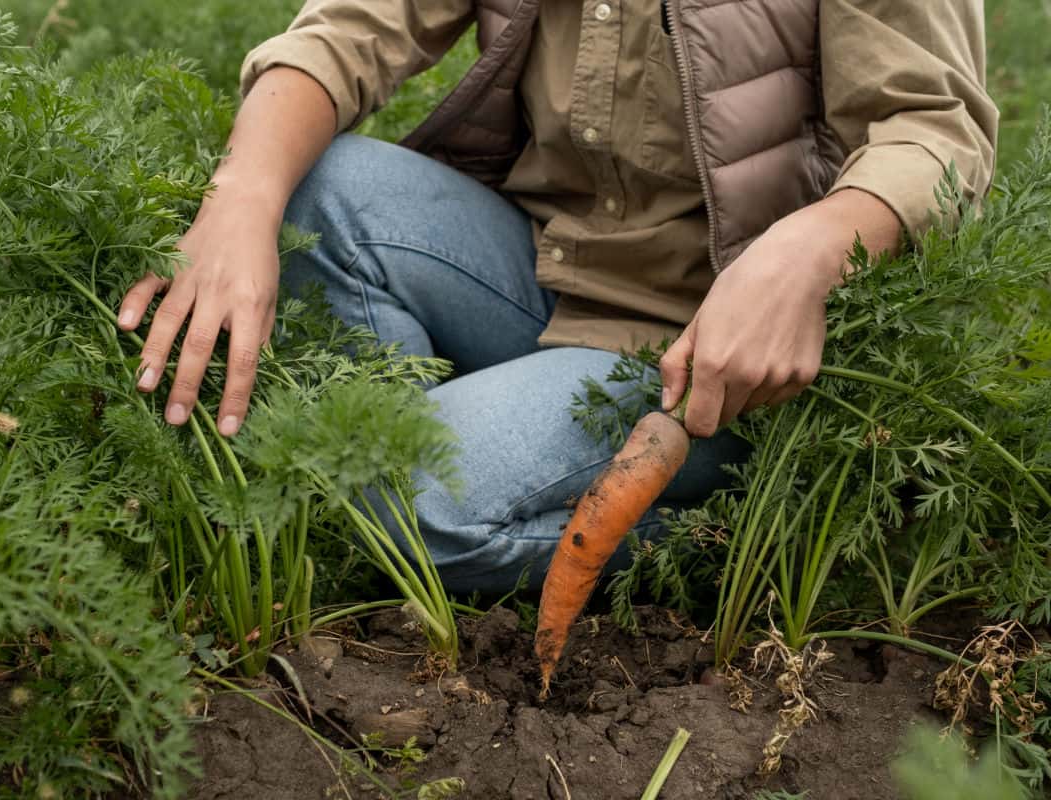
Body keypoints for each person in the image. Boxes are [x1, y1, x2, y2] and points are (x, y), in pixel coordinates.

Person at [115, 0, 998, 594]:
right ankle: (448, 490)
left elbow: (934, 130)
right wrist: (237, 199)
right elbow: (349, 25)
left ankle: (757, 536)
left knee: (390, 505)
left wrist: (807, 249)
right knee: (318, 189)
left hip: (711, 353)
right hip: (534, 269)